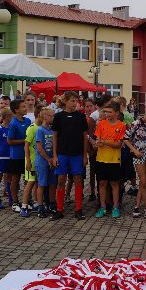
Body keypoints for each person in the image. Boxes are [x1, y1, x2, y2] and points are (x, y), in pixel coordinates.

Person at [51, 91, 89, 221]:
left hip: (77, 154)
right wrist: (55, 155)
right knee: (61, 180)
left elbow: (85, 136)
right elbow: (55, 136)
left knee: (78, 179)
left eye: (76, 101)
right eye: (72, 101)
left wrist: (85, 155)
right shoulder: (58, 117)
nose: (75, 103)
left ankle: (78, 209)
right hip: (62, 154)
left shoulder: (81, 117)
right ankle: (59, 209)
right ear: (65, 101)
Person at [92, 101, 126, 218]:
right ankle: (103, 207)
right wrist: (97, 143)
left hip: (114, 159)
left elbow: (118, 144)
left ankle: (115, 207)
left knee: (114, 183)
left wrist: (105, 142)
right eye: (105, 112)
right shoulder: (101, 124)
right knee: (102, 183)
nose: (107, 114)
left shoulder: (121, 125)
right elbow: (98, 140)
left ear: (116, 113)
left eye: (110, 112)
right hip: (101, 158)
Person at [125, 109, 146, 218]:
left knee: (143, 181)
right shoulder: (136, 124)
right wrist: (134, 150)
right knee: (143, 180)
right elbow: (125, 138)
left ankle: (136, 206)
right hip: (138, 152)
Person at [6, 99, 31, 213]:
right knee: (15, 179)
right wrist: (24, 141)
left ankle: (27, 200)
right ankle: (15, 202)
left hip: (27, 155)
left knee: (27, 178)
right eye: (23, 106)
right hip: (16, 156)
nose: (26, 108)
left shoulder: (28, 121)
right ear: (16, 110)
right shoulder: (13, 123)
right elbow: (9, 141)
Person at [20, 105, 42, 217]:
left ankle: (36, 202)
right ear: (39, 115)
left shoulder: (42, 128)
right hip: (31, 161)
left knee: (37, 182)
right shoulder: (32, 128)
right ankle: (24, 205)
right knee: (30, 182)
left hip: (39, 161)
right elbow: (26, 145)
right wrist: (28, 161)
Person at [34, 108, 56, 218]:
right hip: (42, 162)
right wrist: (48, 159)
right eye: (51, 116)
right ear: (45, 117)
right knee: (41, 184)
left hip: (51, 161)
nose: (53, 118)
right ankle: (40, 206)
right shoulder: (40, 130)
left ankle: (51, 204)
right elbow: (39, 148)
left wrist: (53, 159)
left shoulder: (52, 130)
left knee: (52, 183)